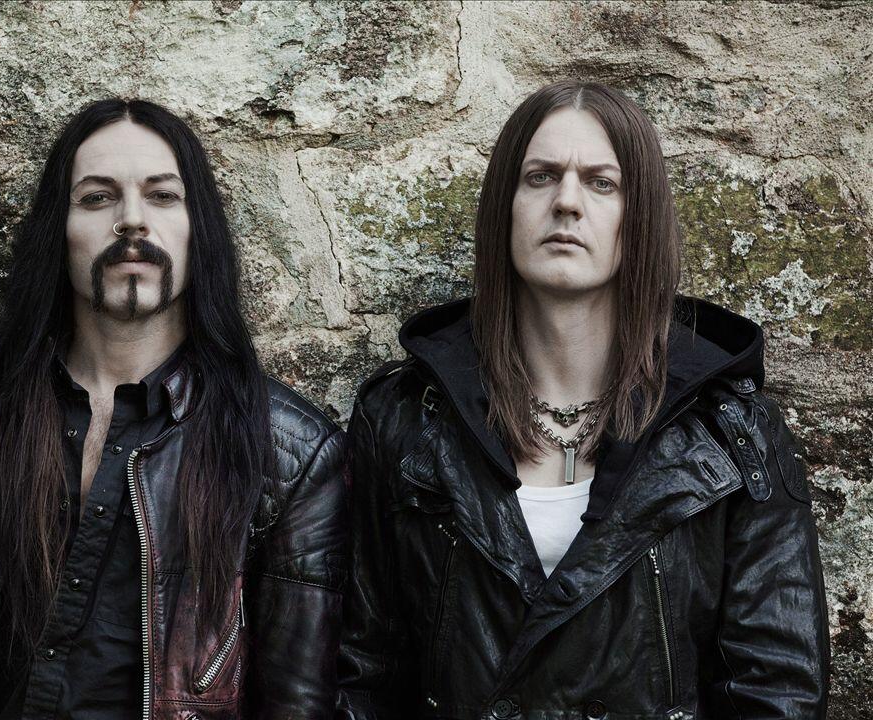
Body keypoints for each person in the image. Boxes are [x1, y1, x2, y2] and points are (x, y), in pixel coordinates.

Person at [337, 81, 829, 719]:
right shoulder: (405, 418)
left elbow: (778, 689)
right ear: (505, 206)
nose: (566, 201)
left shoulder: (731, 432)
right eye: (540, 177)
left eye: (601, 183)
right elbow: (365, 670)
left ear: (638, 218)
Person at [0, 98, 348, 720]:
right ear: (58, 230)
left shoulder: (290, 451)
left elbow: (297, 702)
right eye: (97, 197)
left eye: (163, 196)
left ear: (198, 229)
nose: (131, 220)